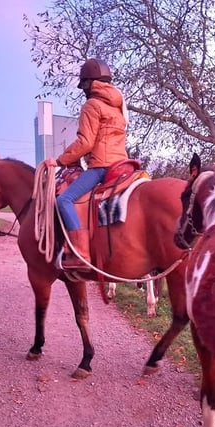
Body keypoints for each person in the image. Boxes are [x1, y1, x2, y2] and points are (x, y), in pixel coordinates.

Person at [44, 58, 129, 270]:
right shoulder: (118, 107)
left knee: (64, 199)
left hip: (102, 166)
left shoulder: (91, 105)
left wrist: (60, 160)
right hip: (123, 163)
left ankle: (79, 252)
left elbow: (85, 142)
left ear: (89, 84)